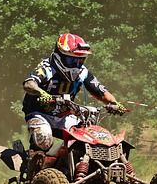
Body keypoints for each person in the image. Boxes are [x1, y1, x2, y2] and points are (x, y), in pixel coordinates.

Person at [22, 33, 127, 175]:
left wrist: (115, 103)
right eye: (72, 61)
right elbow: (29, 83)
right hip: (39, 114)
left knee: (85, 137)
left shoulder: (82, 72)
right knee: (43, 138)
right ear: (60, 55)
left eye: (80, 61)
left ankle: (73, 170)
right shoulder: (47, 67)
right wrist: (42, 93)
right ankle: (31, 177)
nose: (76, 65)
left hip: (65, 114)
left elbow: (101, 91)